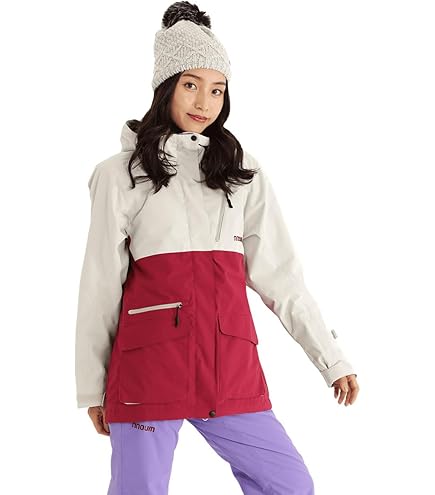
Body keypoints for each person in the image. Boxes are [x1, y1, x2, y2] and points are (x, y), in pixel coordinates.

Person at [74, 2, 359, 493]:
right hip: (147, 371)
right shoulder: (119, 176)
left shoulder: (241, 171)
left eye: (216, 89)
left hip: (228, 367)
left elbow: (280, 276)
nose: (204, 101)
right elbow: (100, 284)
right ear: (165, 86)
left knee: (290, 485)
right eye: (190, 85)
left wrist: (331, 358)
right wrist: (92, 387)